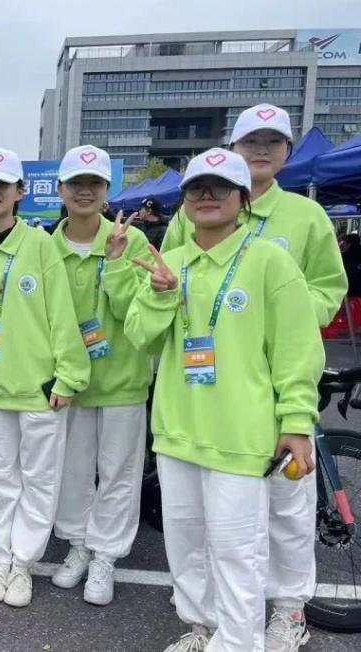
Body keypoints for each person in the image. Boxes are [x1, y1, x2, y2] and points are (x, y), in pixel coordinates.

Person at [161, 104, 347, 651]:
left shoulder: (304, 217)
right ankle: (207, 625)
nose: (261, 149)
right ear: (234, 148)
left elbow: (327, 290)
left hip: (269, 384)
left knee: (284, 512)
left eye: (273, 141)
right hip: (202, 390)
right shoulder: (190, 219)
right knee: (200, 525)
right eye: (251, 141)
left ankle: (288, 610)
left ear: (287, 150)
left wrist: (279, 316)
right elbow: (167, 282)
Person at [127, 148, 323, 652]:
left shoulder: (270, 261)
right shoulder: (169, 263)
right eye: (196, 188)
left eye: (220, 187)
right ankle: (202, 629)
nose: (207, 195)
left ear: (242, 198)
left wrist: (296, 421)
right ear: (184, 201)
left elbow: (297, 351)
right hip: (177, 433)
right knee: (187, 548)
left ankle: (239, 643)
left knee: (239, 553)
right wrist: (159, 295)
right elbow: (140, 338)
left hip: (241, 436)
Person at [0, 147, 90, 608]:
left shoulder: (40, 245)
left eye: (2, 186)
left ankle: (23, 563)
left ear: (19, 192)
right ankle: (0, 558)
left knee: (39, 479)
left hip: (39, 390)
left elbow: (61, 313)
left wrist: (67, 375)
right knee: (1, 478)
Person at [49, 145, 152, 606]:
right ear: (61, 189)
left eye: (94, 183)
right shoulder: (45, 247)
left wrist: (114, 265)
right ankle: (78, 544)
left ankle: (106, 554)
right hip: (68, 383)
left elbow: (138, 314)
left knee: (118, 473)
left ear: (107, 190)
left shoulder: (132, 241)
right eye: (76, 183)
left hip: (122, 379)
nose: (85, 191)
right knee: (72, 469)